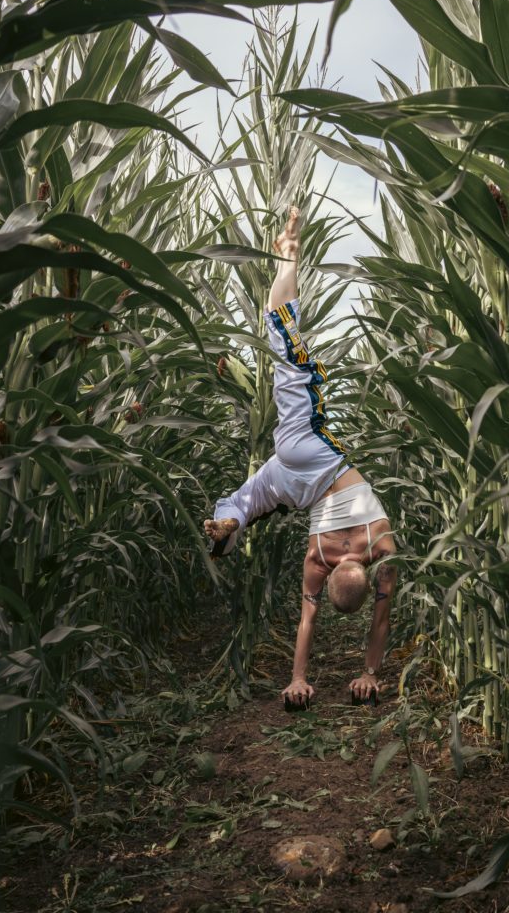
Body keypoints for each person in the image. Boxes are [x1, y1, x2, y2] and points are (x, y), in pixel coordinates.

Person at [204, 206, 397, 705]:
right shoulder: (318, 559)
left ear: (338, 568)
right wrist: (366, 674)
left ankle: (287, 258)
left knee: (286, 349)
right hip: (293, 485)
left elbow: (375, 613)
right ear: (336, 572)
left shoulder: (382, 547)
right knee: (247, 501)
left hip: (313, 464)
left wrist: (297, 680)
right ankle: (226, 525)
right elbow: (312, 619)